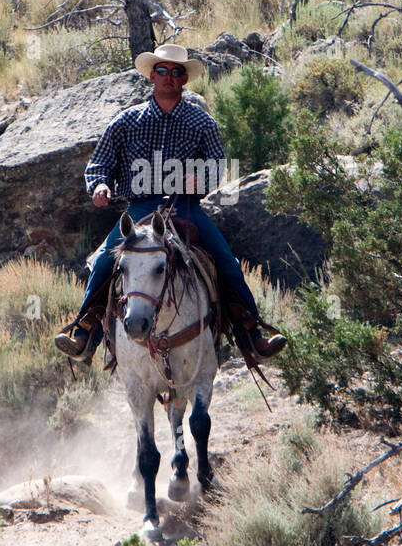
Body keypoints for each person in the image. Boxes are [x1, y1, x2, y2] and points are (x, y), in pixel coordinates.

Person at [54, 43, 286, 363]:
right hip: (140, 208)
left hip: (185, 206)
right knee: (105, 263)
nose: (169, 77)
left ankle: (252, 332)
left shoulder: (202, 122)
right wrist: (100, 185)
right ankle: (85, 332)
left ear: (184, 80)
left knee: (227, 262)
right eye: (162, 70)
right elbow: (99, 164)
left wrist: (201, 179)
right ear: (152, 75)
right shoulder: (126, 121)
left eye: (176, 72)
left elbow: (219, 164)